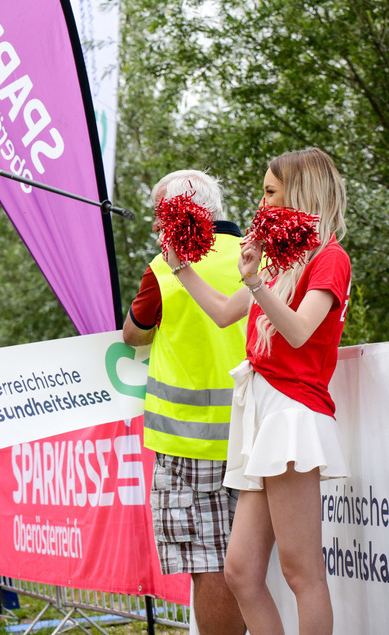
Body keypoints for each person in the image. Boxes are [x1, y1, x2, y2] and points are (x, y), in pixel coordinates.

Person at [164, 148, 350, 635]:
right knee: (241, 571)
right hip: (261, 411)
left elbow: (298, 331)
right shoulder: (281, 259)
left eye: (270, 191)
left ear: (301, 193)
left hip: (292, 413)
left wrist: (255, 279)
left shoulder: (330, 258)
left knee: (300, 571)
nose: (261, 203)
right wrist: (182, 268)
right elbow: (227, 312)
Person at [122, 170, 247, 635]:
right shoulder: (258, 256)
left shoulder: (164, 268)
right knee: (252, 564)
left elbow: (134, 334)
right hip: (256, 434)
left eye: (161, 215)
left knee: (208, 562)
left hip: (188, 442)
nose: (157, 226)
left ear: (179, 215)